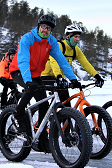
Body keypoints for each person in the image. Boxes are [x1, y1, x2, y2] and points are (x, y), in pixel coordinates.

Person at [9, 14, 81, 153]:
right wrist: (28, 81)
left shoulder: (51, 42)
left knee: (44, 105)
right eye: (43, 27)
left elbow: (61, 60)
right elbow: (23, 60)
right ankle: (17, 114)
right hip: (19, 70)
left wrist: (73, 79)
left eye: (48, 28)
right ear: (39, 26)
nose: (45, 30)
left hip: (35, 74)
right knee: (30, 89)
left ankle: (43, 139)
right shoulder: (28, 38)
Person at [41, 23, 104, 106]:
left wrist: (97, 76)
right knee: (61, 92)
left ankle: (64, 117)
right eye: (75, 37)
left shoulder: (76, 50)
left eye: (78, 37)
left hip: (59, 78)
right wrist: (59, 76)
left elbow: (85, 64)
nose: (77, 39)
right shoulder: (59, 46)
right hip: (44, 76)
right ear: (68, 36)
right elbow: (54, 62)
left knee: (66, 104)